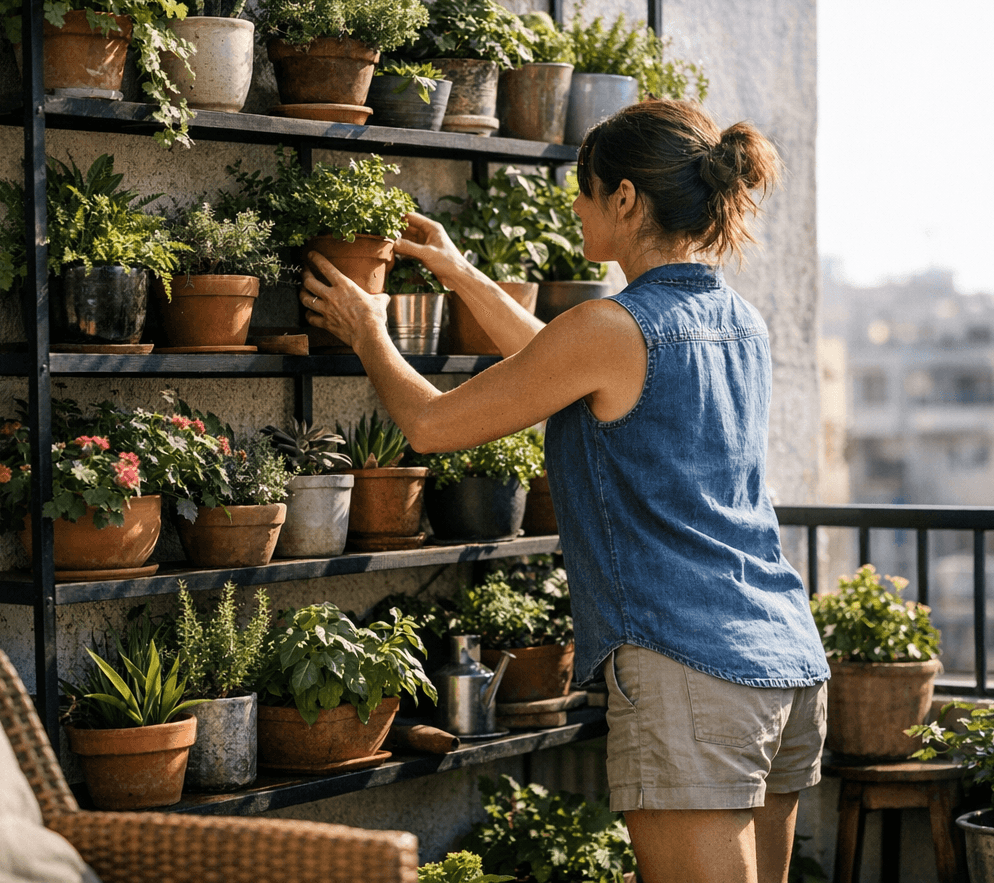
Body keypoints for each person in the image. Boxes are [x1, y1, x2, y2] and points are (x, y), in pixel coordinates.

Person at [299, 99, 830, 883]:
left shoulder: (612, 328)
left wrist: (368, 329)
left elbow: (433, 427)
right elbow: (555, 364)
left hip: (690, 669)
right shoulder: (735, 319)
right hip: (783, 658)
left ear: (623, 199)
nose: (575, 207)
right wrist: (461, 271)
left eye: (584, 190)